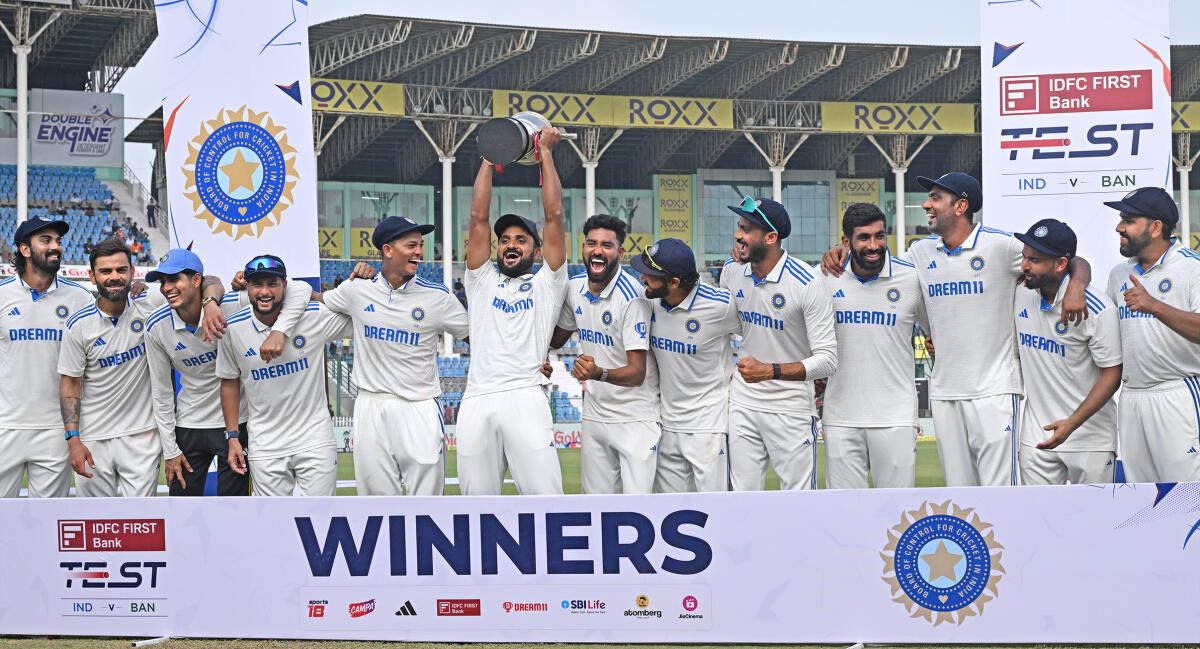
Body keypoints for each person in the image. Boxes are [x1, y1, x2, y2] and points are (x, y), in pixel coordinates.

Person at [821, 171, 1092, 486]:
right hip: (945, 394)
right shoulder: (920, 254)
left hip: (994, 391)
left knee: (1001, 495)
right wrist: (838, 251)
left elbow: (1066, 259)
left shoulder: (1000, 246)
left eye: (936, 197)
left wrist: (1078, 285)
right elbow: (876, 264)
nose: (926, 204)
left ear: (961, 206)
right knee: (961, 496)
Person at [58, 239, 223, 497]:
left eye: (121, 270)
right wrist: (74, 440)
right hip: (94, 437)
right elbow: (69, 385)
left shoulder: (154, 300)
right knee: (97, 523)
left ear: (132, 273)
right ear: (92, 276)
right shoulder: (78, 325)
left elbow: (208, 279)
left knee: (141, 522)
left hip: (142, 436)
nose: (115, 277)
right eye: (106, 271)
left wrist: (210, 302)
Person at [316, 216, 468, 495]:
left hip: (419, 406)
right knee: (376, 503)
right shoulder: (357, 289)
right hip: (371, 405)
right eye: (411, 245)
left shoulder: (438, 297)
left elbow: (477, 335)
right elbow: (320, 300)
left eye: (420, 245)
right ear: (387, 250)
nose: (419, 252)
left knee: (427, 505)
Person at [143, 248, 309, 496]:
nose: (167, 288)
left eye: (174, 279)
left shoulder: (232, 305)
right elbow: (161, 392)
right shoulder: (156, 325)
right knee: (181, 511)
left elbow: (298, 290)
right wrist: (171, 450)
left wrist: (279, 331)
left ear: (196, 280)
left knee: (234, 511)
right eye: (163, 281)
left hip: (236, 425)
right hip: (189, 425)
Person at [457, 127, 568, 495]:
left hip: (525, 395)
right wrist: (491, 154)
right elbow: (477, 218)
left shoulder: (546, 284)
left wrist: (547, 155)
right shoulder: (480, 280)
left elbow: (554, 216)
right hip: (477, 398)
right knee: (475, 505)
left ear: (537, 251)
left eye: (521, 240)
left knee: (546, 500)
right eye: (505, 239)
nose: (510, 245)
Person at [724, 197, 837, 491]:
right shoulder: (731, 272)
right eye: (739, 227)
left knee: (799, 503)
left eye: (747, 229)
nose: (738, 235)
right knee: (740, 499)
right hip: (743, 403)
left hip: (791, 409)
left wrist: (770, 370)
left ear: (771, 237)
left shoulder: (808, 284)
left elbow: (827, 360)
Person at [216, 255, 351, 496]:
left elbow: (360, 317)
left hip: (314, 438)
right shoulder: (233, 328)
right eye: (257, 284)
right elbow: (229, 382)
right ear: (246, 287)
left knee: (319, 519)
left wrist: (360, 282)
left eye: (272, 284)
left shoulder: (313, 316)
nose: (264, 292)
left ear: (285, 286)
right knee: (272, 524)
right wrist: (233, 437)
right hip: (265, 443)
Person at [550, 215, 658, 494]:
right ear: (583, 248)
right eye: (591, 243)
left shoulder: (633, 298)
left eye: (607, 246)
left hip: (635, 418)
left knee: (639, 509)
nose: (598, 250)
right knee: (596, 509)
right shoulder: (574, 288)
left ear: (620, 254)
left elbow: (637, 373)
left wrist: (599, 373)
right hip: (595, 416)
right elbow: (554, 340)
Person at [823, 203, 927, 489]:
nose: (874, 245)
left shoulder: (911, 278)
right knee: (844, 515)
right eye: (864, 238)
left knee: (897, 515)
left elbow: (936, 331)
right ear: (846, 242)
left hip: (895, 417)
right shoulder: (824, 278)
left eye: (879, 236)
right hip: (841, 416)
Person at [1014, 219, 1121, 485]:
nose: (1025, 266)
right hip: (1036, 436)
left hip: (1089, 437)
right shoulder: (1019, 291)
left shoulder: (1098, 309)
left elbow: (1112, 376)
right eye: (1025, 257)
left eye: (1035, 260)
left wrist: (1072, 423)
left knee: (1095, 522)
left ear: (1061, 264)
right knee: (1039, 521)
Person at [1104, 187, 1200, 482]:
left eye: (1129, 220)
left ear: (1156, 227)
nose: (1119, 227)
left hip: (1177, 394)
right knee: (1142, 502)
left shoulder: (1191, 268)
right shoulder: (1119, 273)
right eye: (1121, 218)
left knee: (1186, 500)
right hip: (1132, 397)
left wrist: (1154, 306)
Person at [631, 238, 739, 492]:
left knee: (715, 512)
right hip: (666, 426)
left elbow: (760, 331)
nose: (643, 278)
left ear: (674, 282)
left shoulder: (721, 305)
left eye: (650, 275)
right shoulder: (647, 300)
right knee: (672, 512)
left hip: (709, 427)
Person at [0, 216, 93, 497]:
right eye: (46, 240)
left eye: (58, 241)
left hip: (57, 430)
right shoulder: (2, 295)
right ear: (24, 250)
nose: (56, 247)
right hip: (6, 426)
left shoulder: (80, 298)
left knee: (46, 523)